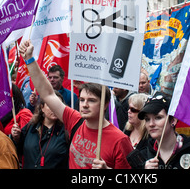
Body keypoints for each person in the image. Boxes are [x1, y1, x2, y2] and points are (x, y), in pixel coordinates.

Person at [19, 40, 133, 169]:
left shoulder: (120, 140)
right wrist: (29, 59)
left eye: (92, 100)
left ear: (105, 104)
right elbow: (47, 94)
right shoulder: (75, 120)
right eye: (82, 99)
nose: (84, 105)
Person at [127, 92, 190, 169]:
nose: (151, 124)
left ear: (173, 121)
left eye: (158, 117)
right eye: (147, 119)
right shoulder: (144, 156)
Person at [11, 91, 69, 169]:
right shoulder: (31, 127)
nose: (54, 108)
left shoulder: (66, 131)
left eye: (58, 105)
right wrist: (16, 138)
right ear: (42, 107)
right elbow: (17, 151)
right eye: (50, 105)